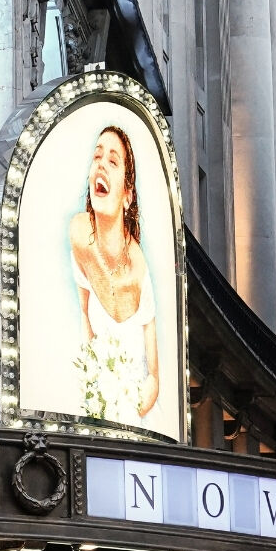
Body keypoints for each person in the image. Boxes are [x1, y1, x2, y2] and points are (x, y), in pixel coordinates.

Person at [66, 125, 159, 423]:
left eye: (113, 160)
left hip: (138, 417)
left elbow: (154, 376)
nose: (101, 165)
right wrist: (94, 392)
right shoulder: (79, 233)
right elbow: (84, 316)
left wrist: (126, 413)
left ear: (127, 195)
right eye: (97, 157)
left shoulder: (139, 271)